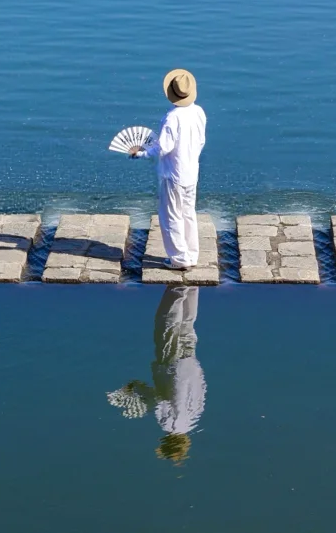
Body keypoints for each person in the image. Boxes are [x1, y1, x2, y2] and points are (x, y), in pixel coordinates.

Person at [106, 285, 207, 463]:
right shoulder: (169, 424)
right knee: (167, 325)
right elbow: (160, 400)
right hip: (171, 367)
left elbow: (201, 389)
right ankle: (178, 288)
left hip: (191, 363)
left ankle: (192, 287)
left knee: (187, 327)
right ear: (167, 442)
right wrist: (136, 387)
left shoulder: (193, 421)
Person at [132, 68, 206, 270]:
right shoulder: (199, 112)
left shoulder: (172, 118)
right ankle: (191, 255)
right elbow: (200, 141)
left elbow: (163, 147)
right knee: (188, 213)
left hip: (173, 174)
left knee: (171, 215)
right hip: (192, 171)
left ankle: (179, 259)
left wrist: (141, 153)